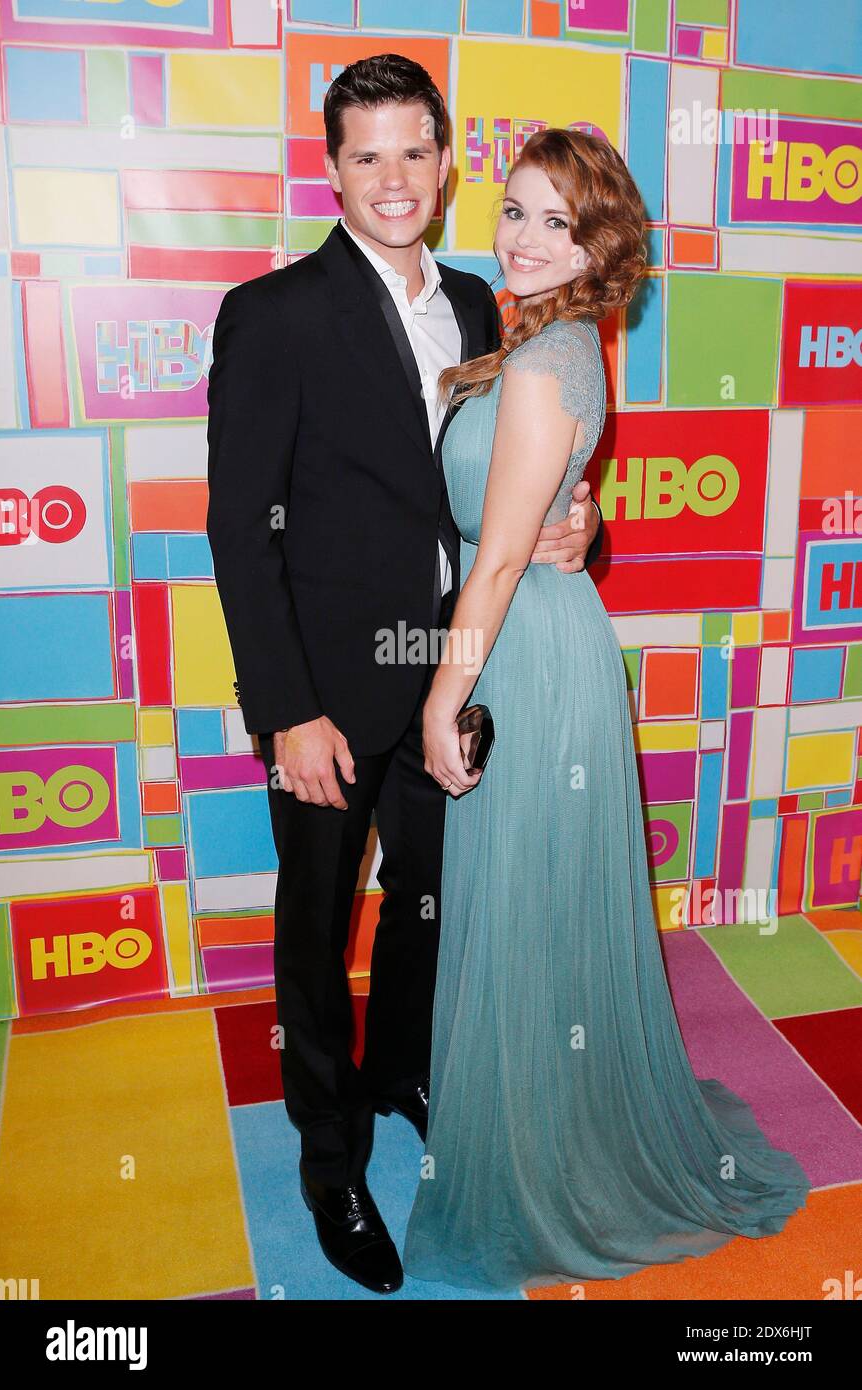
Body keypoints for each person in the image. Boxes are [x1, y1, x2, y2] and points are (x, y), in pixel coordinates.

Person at [205, 56, 603, 1295]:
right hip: (327, 690)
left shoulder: (488, 303)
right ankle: (331, 1160)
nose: (392, 178)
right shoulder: (270, 312)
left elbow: (515, 478)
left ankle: (404, 1073)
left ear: (444, 162)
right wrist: (285, 712)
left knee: (434, 903)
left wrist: (574, 520)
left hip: (452, 674)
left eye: (414, 152)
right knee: (318, 929)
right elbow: (236, 524)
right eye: (363, 154)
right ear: (330, 169)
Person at [403, 128, 812, 1291]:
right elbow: (529, 520)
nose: (524, 239)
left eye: (556, 223)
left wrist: (444, 702)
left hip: (518, 659)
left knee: (528, 910)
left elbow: (491, 568)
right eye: (515, 211)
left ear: (598, 245)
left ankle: (550, 1164)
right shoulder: (554, 340)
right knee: (529, 911)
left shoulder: (544, 359)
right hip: (537, 642)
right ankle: (540, 1126)